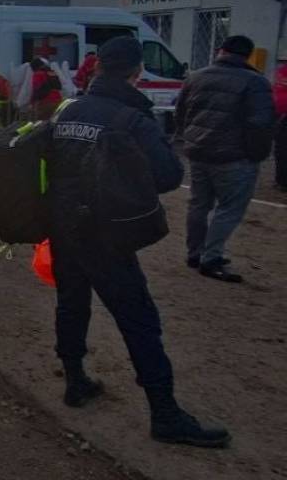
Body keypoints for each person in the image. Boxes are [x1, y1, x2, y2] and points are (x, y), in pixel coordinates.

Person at [47, 35, 229, 448]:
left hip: (63, 228)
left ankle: (75, 381)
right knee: (139, 320)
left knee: (72, 303)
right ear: (136, 72)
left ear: (96, 68)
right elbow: (168, 176)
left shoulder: (67, 109)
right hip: (105, 234)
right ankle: (165, 414)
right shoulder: (131, 119)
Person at [175, 35, 276, 283]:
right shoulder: (255, 82)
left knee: (199, 204)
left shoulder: (196, 76)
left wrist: (188, 139)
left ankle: (195, 253)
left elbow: (181, 113)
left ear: (220, 51)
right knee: (230, 207)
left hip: (198, 152)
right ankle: (212, 258)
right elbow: (261, 123)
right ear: (248, 55)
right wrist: (257, 153)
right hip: (234, 156)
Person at [273, 61, 287, 191]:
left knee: (282, 149)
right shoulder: (283, 70)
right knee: (281, 149)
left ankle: (281, 180)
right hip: (281, 115)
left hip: (281, 115)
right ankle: (281, 180)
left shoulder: (282, 70)